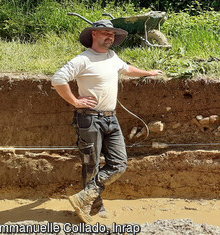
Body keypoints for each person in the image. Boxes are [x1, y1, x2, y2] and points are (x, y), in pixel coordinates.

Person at [51, 20, 162, 222]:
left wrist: (149, 72)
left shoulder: (112, 56)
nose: (110, 37)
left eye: (112, 34)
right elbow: (58, 79)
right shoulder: (83, 60)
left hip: (111, 119)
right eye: (105, 33)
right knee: (91, 165)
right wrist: (75, 101)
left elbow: (126, 69)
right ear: (94, 34)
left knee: (119, 164)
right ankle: (93, 206)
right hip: (89, 119)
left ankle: (84, 197)